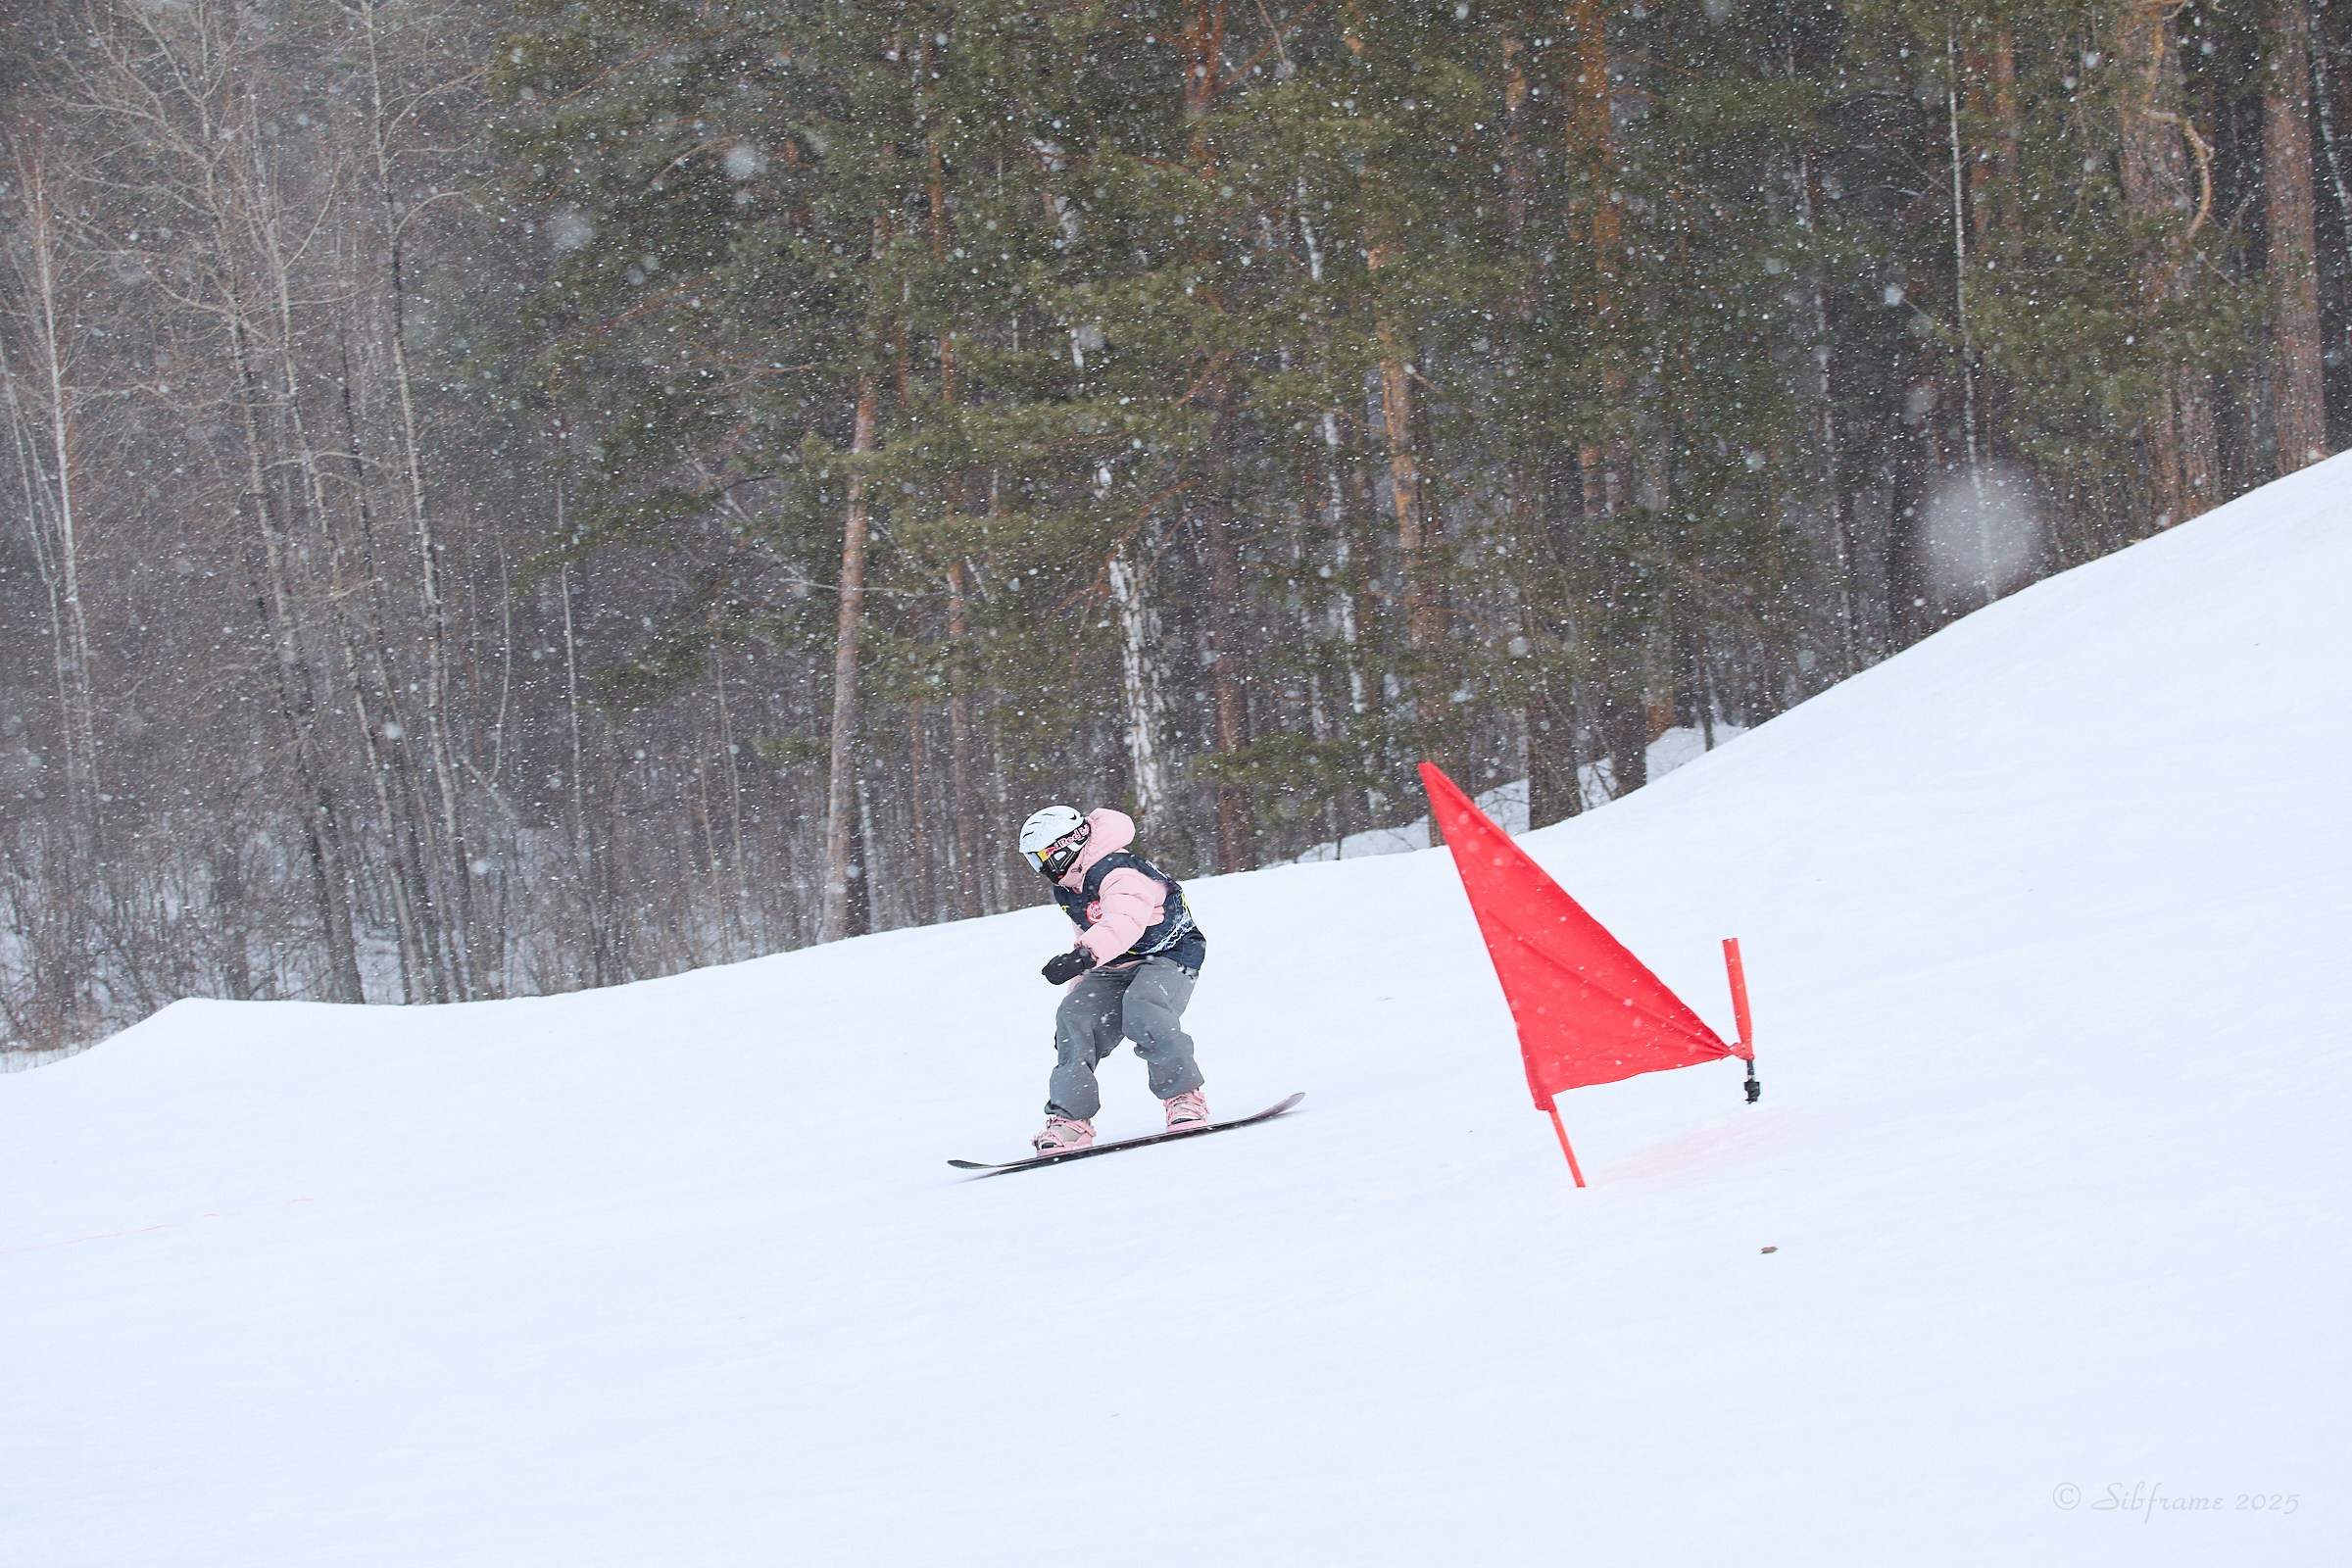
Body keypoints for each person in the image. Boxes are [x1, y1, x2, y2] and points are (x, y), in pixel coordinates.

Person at [1017, 805, 1208, 1153]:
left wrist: (1083, 955)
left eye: (1041, 859)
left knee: (1144, 1008)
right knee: (1074, 1018)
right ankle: (1071, 1120)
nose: (1041, 869)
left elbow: (1124, 922)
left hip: (1168, 955)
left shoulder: (1118, 871)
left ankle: (1184, 1097)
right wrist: (1079, 980)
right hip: (1113, 963)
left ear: (1065, 847)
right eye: (1033, 861)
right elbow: (1091, 933)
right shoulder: (1071, 886)